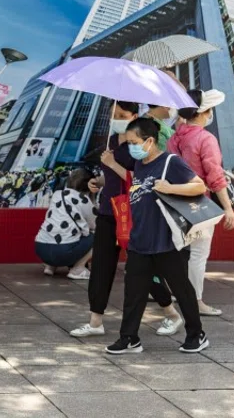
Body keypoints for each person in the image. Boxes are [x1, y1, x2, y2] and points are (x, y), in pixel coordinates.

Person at [71, 102, 183, 338]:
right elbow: (111, 175)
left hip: (134, 215)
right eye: (114, 114)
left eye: (122, 115)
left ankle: (172, 314)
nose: (117, 118)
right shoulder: (111, 142)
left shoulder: (142, 144)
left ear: (134, 116)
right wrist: (99, 181)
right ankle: (95, 322)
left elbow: (143, 179)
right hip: (108, 212)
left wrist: (113, 163)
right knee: (101, 266)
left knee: (141, 268)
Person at [106, 118, 209, 355]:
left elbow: (198, 186)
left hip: (167, 242)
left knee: (182, 289)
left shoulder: (171, 162)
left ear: (149, 141)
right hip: (141, 240)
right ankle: (129, 338)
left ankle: (197, 334)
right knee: (134, 292)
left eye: (134, 142)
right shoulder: (139, 164)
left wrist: (171, 188)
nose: (131, 146)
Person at [169, 89, 234, 316]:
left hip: (173, 202)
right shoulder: (205, 138)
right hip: (198, 205)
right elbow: (215, 177)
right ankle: (195, 302)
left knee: (177, 253)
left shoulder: (175, 137)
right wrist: (227, 208)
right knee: (198, 255)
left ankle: (175, 295)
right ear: (204, 112)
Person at [35, 168, 95, 279]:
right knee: (100, 235)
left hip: (41, 248)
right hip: (63, 252)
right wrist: (93, 201)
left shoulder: (57, 194)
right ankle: (78, 269)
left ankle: (50, 266)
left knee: (63, 231)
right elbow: (94, 225)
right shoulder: (84, 200)